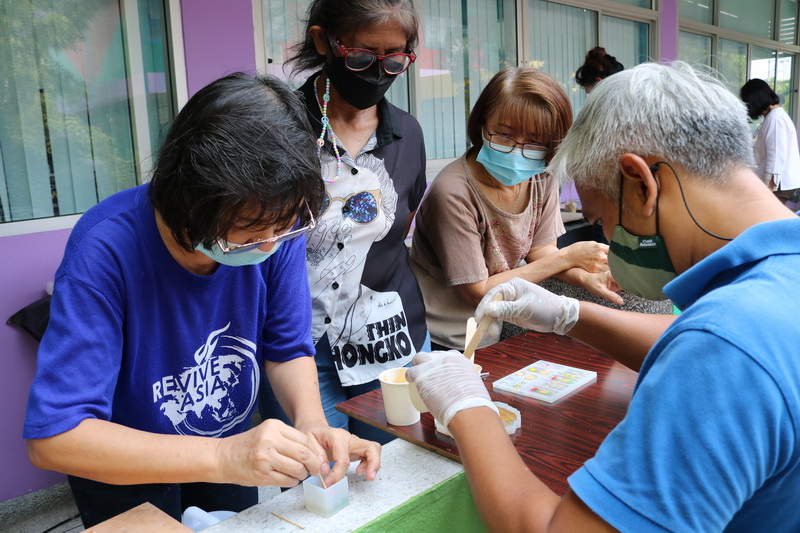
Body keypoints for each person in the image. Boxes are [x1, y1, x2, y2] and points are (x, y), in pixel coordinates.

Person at [407, 61, 800, 532]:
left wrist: (467, 410)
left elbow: (718, 349)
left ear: (640, 185)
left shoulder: (725, 349)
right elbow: (694, 339)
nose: (610, 242)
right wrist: (570, 315)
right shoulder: (768, 291)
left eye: (604, 219)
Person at [23, 73, 381, 528]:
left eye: (282, 229)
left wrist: (311, 424)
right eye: (248, 236)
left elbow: (287, 347)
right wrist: (222, 454)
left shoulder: (277, 219)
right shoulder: (105, 249)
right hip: (125, 466)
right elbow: (56, 437)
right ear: (190, 202)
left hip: (225, 441)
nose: (270, 245)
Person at [258, 0, 429, 444]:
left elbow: (399, 230)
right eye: (360, 56)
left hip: (389, 339)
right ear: (323, 41)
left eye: (394, 60)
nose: (377, 72)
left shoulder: (407, 134)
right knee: (319, 483)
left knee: (399, 473)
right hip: (299, 348)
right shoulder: (277, 131)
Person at [410, 66, 621, 352]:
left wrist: (585, 277)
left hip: (491, 326)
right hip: (439, 334)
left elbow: (542, 252)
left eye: (534, 142)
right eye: (504, 135)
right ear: (482, 124)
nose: (517, 150)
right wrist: (571, 256)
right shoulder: (453, 192)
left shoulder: (542, 175)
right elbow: (478, 292)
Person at [740, 78, 800, 206]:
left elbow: (776, 158)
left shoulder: (775, 119)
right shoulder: (773, 116)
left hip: (778, 186)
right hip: (777, 185)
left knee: (765, 219)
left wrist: (767, 191)